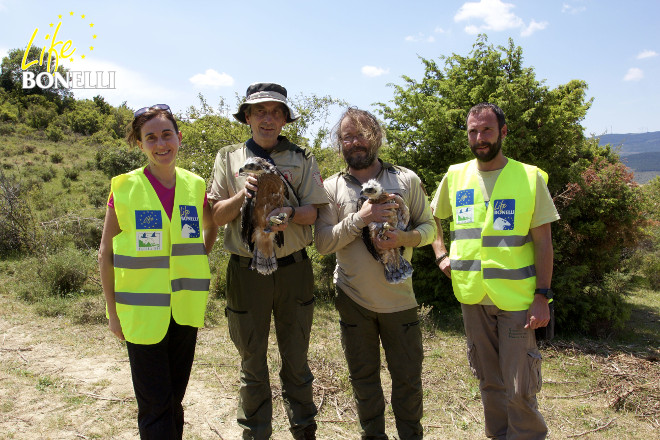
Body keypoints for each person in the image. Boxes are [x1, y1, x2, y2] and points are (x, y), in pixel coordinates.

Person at [430, 102, 559, 440]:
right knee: (489, 381)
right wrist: (441, 254)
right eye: (473, 131)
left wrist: (542, 296)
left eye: (486, 130)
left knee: (519, 386)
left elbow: (544, 243)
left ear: (503, 131)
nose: (479, 137)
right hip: (472, 295)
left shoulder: (529, 177)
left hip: (518, 300)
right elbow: (433, 216)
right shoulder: (456, 175)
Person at [208, 83, 327, 440]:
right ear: (247, 116)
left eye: (276, 111)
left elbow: (315, 211)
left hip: (293, 269)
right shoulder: (228, 158)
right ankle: (255, 433)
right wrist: (242, 196)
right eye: (260, 111)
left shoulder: (302, 158)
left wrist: (290, 212)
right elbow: (215, 215)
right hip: (246, 271)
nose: (268, 118)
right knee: (252, 363)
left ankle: (304, 431)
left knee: (295, 361)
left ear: (285, 119)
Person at [315, 107, 435, 440]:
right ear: (339, 143)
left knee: (408, 380)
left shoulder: (406, 179)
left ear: (375, 136)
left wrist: (405, 238)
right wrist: (362, 218)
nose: (353, 142)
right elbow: (323, 243)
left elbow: (429, 228)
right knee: (364, 380)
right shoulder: (330, 187)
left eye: (360, 134)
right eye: (346, 136)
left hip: (400, 302)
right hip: (353, 299)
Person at [98, 104, 216, 439]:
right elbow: (105, 252)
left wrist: (194, 259)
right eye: (150, 137)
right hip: (141, 314)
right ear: (139, 143)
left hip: (185, 310)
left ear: (179, 137)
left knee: (174, 400)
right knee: (154, 404)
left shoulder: (195, 186)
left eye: (167, 134)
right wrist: (113, 313)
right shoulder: (125, 188)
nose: (160, 143)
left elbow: (210, 228)